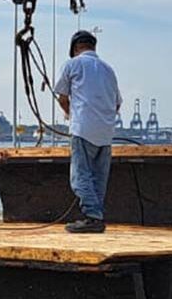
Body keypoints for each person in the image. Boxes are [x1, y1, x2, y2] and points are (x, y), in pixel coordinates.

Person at [52, 30, 121, 233]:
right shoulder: (109, 70)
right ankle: (96, 217)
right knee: (99, 177)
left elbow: (62, 96)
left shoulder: (72, 64)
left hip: (83, 128)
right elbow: (117, 104)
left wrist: (69, 113)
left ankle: (92, 216)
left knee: (80, 175)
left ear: (75, 48)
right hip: (106, 132)